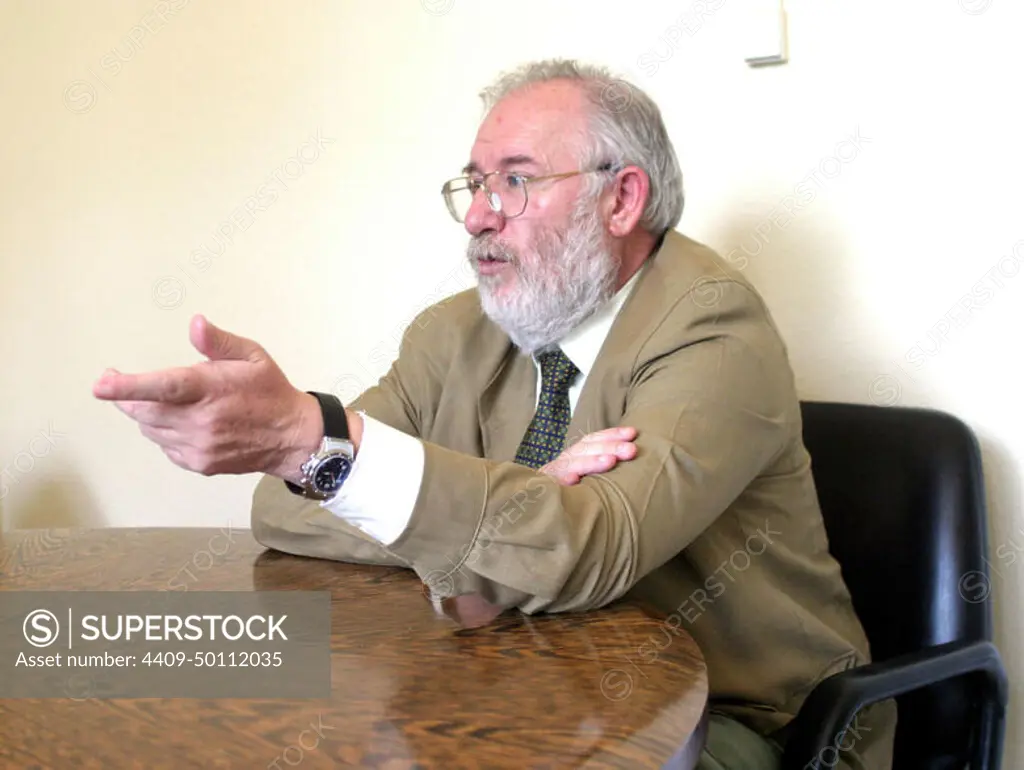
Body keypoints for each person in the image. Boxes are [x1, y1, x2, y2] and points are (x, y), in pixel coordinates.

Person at [93, 59, 895, 769]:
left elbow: (590, 550)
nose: (480, 214)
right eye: (474, 182)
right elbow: (285, 504)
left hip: (739, 720)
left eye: (516, 179)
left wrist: (323, 445)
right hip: (529, 684)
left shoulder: (715, 328)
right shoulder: (452, 333)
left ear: (622, 198)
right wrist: (515, 507)